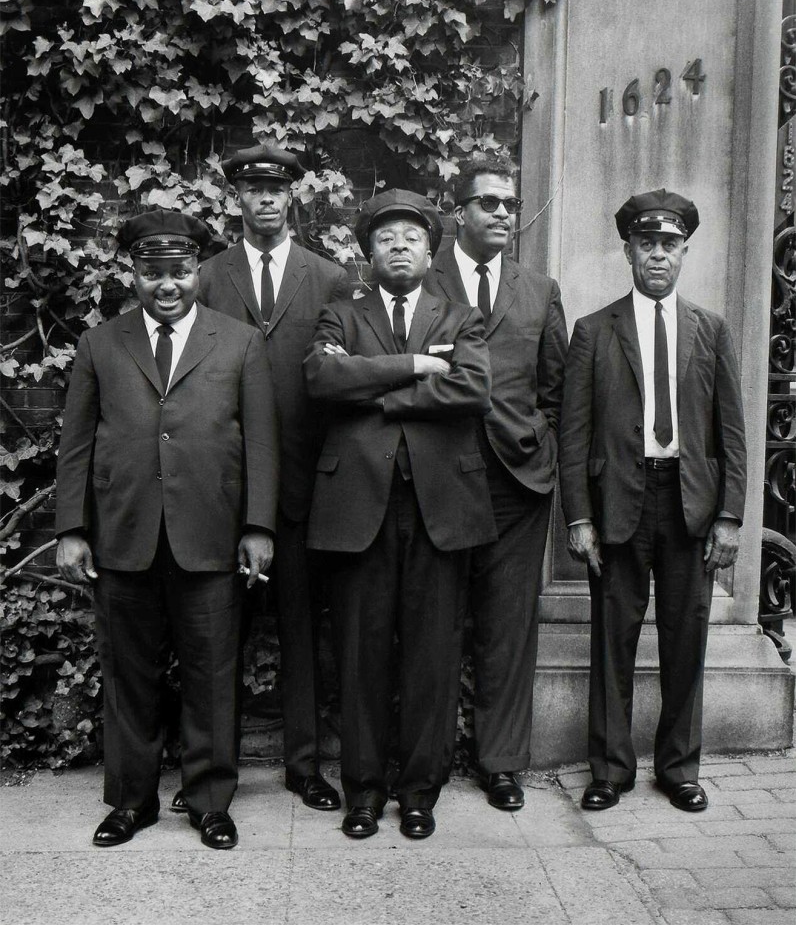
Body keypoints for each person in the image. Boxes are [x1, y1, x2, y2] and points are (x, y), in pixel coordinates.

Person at [55, 209, 279, 849]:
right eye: (154, 273)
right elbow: (75, 445)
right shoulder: (102, 343)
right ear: (135, 274)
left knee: (212, 675)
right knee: (129, 677)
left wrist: (258, 525)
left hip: (209, 537)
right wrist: (73, 527)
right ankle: (131, 802)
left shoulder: (238, 342)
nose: (168, 285)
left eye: (180, 271)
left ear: (197, 272)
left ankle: (211, 801)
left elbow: (261, 442)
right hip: (123, 538)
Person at [304, 189, 497, 840]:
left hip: (441, 508)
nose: (398, 246)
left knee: (431, 656)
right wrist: (414, 366)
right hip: (358, 508)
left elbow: (472, 388)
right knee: (359, 655)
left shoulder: (461, 317)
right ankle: (363, 791)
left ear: (430, 249)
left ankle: (419, 791)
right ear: (369, 252)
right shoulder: (339, 312)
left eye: (411, 237)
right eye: (385, 237)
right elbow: (323, 382)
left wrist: (377, 393)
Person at [559, 189, 747, 813]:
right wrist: (579, 515)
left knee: (685, 638)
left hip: (689, 504)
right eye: (647, 245)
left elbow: (731, 431)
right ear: (628, 251)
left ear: (684, 252)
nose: (658, 256)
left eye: (669, 245)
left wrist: (729, 515)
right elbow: (574, 431)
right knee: (612, 637)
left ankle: (679, 768)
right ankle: (610, 769)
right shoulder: (594, 330)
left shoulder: (710, 330)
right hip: (618, 502)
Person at [198, 144, 349, 813]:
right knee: (216, 635)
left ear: (291, 197)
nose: (263, 199)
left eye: (275, 189)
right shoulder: (204, 278)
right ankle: (212, 770)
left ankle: (306, 765)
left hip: (301, 488)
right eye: (251, 189)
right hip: (223, 490)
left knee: (300, 630)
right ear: (236, 198)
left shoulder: (330, 277)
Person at [425, 156, 568, 810]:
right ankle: (425, 763)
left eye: (511, 203)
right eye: (489, 202)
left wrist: (542, 451)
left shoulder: (540, 290)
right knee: (435, 621)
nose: (504, 213)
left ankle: (501, 763)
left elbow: (556, 389)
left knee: (508, 626)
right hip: (439, 474)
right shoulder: (423, 283)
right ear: (460, 213)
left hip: (517, 482)